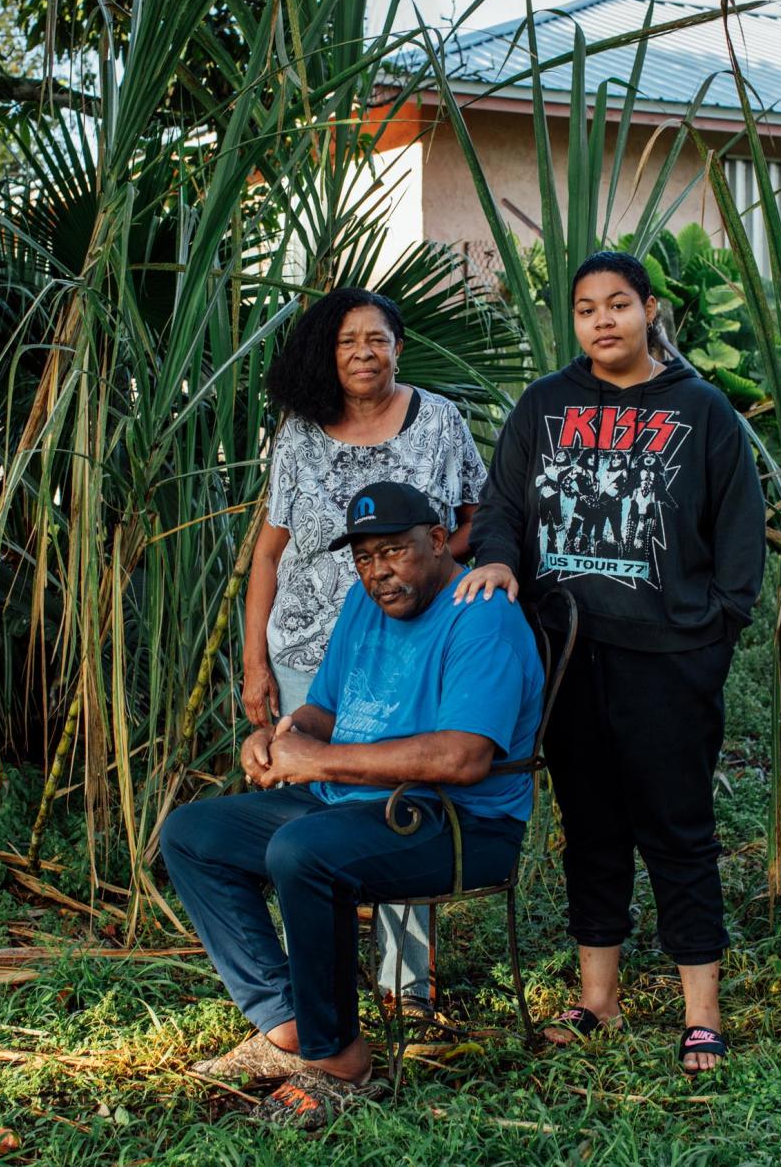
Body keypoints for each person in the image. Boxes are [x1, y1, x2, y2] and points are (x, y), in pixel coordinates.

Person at [454, 250, 766, 1074]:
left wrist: (714, 634)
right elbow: (506, 505)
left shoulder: (702, 412)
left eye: (618, 304)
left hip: (669, 661)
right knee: (591, 828)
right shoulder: (546, 405)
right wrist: (497, 559)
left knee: (678, 829)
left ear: (649, 309)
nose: (603, 321)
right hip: (568, 658)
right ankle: (600, 999)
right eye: (587, 308)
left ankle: (702, 1010)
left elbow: (740, 533)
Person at [161, 482, 544, 1127]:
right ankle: (288, 1024)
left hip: (458, 823)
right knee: (192, 833)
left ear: (438, 539)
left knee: (303, 852)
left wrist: (320, 763)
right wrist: (285, 737)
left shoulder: (483, 613)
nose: (378, 573)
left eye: (393, 551)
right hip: (354, 803)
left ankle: (340, 1063)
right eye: (364, 558)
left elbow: (464, 758)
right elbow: (327, 708)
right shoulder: (365, 604)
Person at [242, 286, 487, 1018]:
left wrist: (420, 572)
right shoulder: (301, 432)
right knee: (304, 815)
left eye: (376, 339)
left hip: (403, 642)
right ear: (330, 350)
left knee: (397, 799)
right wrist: (255, 661)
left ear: (398, 346)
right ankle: (318, 979)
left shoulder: (439, 422)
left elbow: (476, 517)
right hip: (303, 649)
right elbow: (267, 554)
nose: (363, 353)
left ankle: (405, 986)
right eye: (348, 341)